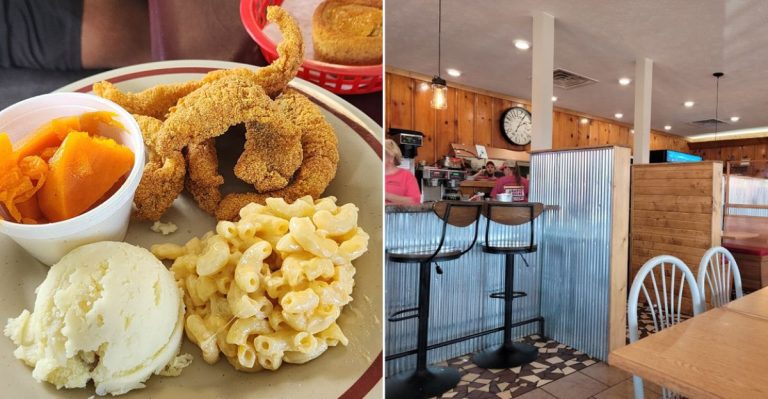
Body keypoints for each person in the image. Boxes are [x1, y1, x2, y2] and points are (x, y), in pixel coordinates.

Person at [385, 139, 421, 205]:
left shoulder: (406, 175)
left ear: (391, 157)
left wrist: (387, 196)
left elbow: (415, 201)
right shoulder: (373, 174)